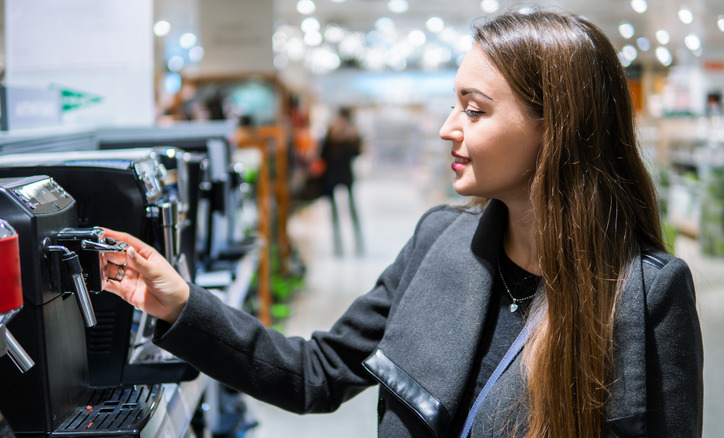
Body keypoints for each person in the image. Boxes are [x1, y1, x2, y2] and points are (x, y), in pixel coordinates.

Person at [101, 9, 703, 438]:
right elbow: (315, 373)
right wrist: (181, 304)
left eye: (474, 109)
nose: (448, 127)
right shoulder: (438, 243)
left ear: (556, 128)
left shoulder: (645, 294)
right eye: (452, 105)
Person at [319, 106, 364, 255]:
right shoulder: (352, 131)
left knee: (334, 212)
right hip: (346, 173)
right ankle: (359, 242)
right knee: (352, 210)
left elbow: (323, 153)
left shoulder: (332, 130)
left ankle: (337, 245)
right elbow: (357, 153)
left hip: (332, 174)